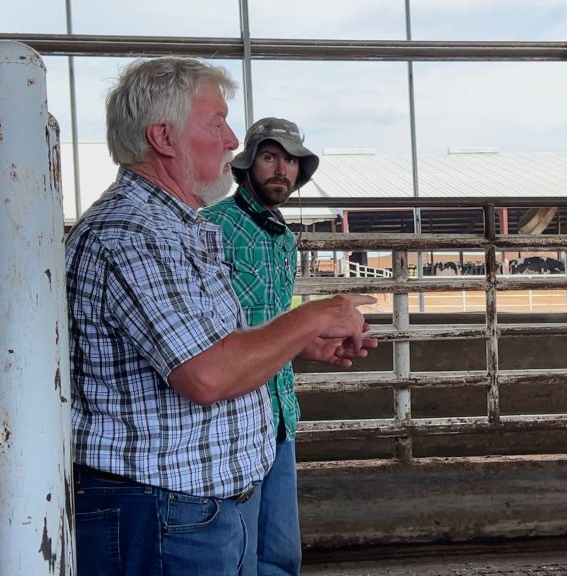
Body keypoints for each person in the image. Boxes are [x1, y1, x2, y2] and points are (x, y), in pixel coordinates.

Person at [65, 57, 376, 576]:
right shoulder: (134, 235)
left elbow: (209, 344)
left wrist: (298, 342)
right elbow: (207, 373)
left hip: (186, 503)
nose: (231, 140)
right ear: (163, 136)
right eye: (217, 123)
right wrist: (312, 316)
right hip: (160, 510)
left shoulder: (177, 228)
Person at [201, 117, 339, 576]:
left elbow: (271, 325)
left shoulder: (284, 238)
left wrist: (309, 345)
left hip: (279, 413)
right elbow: (207, 331)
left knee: (281, 554)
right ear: (246, 166)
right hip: (231, 420)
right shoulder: (211, 227)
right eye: (270, 157)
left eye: (292, 161)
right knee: (235, 551)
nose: (282, 170)